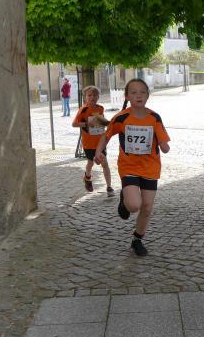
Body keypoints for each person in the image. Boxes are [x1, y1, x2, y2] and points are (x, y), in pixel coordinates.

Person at [94, 79, 170, 257]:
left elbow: (164, 144)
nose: (138, 96)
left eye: (142, 92)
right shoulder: (121, 117)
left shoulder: (154, 117)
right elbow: (106, 135)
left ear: (148, 95)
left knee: (147, 207)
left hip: (150, 167)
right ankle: (126, 200)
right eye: (134, 92)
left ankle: (137, 239)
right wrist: (98, 152)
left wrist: (164, 145)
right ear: (127, 96)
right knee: (135, 205)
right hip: (129, 166)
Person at [72, 85, 113, 194]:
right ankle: (87, 177)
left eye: (95, 95)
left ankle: (109, 187)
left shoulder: (100, 108)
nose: (92, 97)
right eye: (89, 95)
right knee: (90, 162)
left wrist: (107, 123)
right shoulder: (83, 110)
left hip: (100, 142)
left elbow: (101, 120)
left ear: (98, 97)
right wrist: (87, 124)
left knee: (104, 163)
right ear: (85, 97)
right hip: (88, 143)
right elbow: (74, 124)